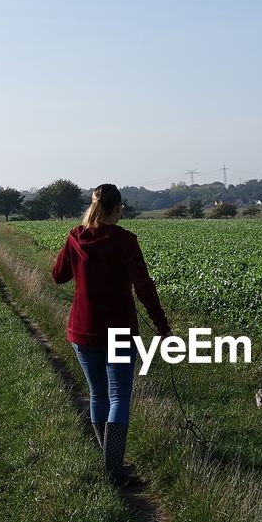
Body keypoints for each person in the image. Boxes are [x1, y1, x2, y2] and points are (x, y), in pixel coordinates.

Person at [52, 183, 171, 479]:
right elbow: (143, 287)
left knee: (97, 395)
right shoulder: (126, 241)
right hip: (119, 330)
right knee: (119, 397)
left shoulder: (75, 237)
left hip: (82, 329)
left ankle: (108, 460)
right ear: (118, 208)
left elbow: (58, 277)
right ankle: (114, 468)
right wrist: (162, 326)